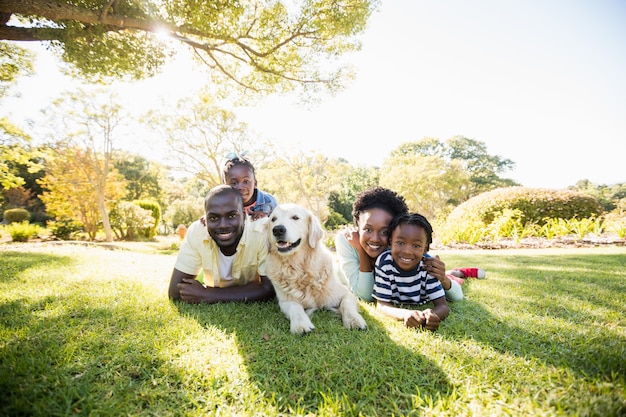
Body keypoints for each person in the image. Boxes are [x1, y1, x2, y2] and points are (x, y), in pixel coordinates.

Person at [335, 187, 484, 302]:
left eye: (385, 232)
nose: (374, 239)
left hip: (405, 280)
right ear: (357, 226)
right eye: (367, 229)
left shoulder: (399, 246)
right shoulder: (347, 240)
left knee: (438, 276)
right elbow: (364, 295)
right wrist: (361, 251)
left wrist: (443, 278)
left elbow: (456, 296)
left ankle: (458, 273)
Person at [168, 185, 275, 304]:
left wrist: (207, 294)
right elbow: (176, 292)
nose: (223, 225)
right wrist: (252, 289)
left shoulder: (262, 231)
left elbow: (270, 289)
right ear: (205, 219)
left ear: (244, 216)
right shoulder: (197, 232)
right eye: (214, 218)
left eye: (232, 216)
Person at [372, 212, 449, 331]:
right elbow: (382, 305)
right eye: (400, 243)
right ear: (390, 242)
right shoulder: (384, 263)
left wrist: (433, 315)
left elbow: (443, 306)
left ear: (426, 248)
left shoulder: (428, 265)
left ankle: (461, 273)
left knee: (453, 277)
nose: (407, 251)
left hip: (432, 289)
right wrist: (405, 314)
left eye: (416, 246)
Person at [223, 152, 278, 221]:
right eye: (234, 183)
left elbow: (279, 223)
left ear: (255, 183)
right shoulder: (223, 204)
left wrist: (267, 220)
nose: (241, 187)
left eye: (246, 181)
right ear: (225, 187)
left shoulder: (269, 201)